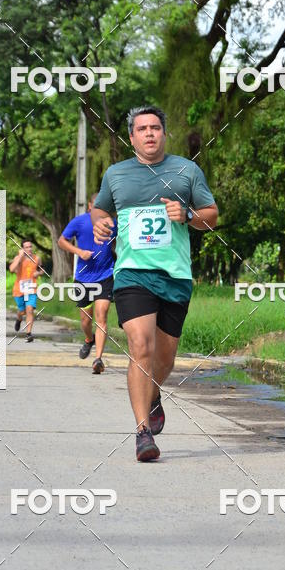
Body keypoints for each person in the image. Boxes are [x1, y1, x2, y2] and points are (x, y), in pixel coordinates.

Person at [92, 105, 218, 462]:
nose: (149, 133)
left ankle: (154, 393)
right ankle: (142, 432)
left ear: (165, 134)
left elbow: (211, 217)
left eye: (155, 128)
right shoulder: (116, 175)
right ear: (131, 136)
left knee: (165, 356)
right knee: (140, 346)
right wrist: (101, 222)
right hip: (132, 274)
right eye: (142, 128)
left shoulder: (186, 170)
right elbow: (100, 209)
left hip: (175, 275)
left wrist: (188, 214)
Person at [58, 193, 116, 374]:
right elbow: (61, 241)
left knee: (102, 315)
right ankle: (88, 339)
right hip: (83, 278)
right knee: (85, 320)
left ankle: (98, 359)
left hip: (106, 275)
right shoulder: (79, 221)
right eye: (97, 205)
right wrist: (78, 251)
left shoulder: (114, 223)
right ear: (90, 206)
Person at [9, 239, 43, 342]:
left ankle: (28, 333)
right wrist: (20, 256)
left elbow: (42, 269)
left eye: (30, 246)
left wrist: (38, 273)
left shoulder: (37, 258)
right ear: (22, 249)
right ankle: (19, 318)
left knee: (30, 309)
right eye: (26, 247)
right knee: (22, 311)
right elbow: (11, 269)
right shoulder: (18, 258)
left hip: (31, 288)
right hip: (19, 289)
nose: (29, 249)